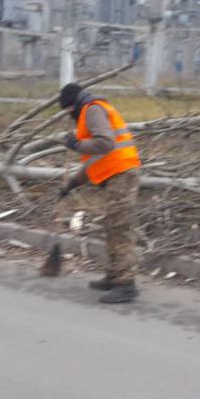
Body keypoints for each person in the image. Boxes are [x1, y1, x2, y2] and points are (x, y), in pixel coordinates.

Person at [59, 82, 141, 304]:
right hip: (116, 175)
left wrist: (77, 144)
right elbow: (94, 159)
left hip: (122, 175)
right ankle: (115, 276)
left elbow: (104, 144)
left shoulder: (92, 109)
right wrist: (71, 185)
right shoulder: (88, 112)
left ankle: (126, 285)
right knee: (112, 226)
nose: (68, 114)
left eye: (67, 110)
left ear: (72, 104)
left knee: (119, 228)